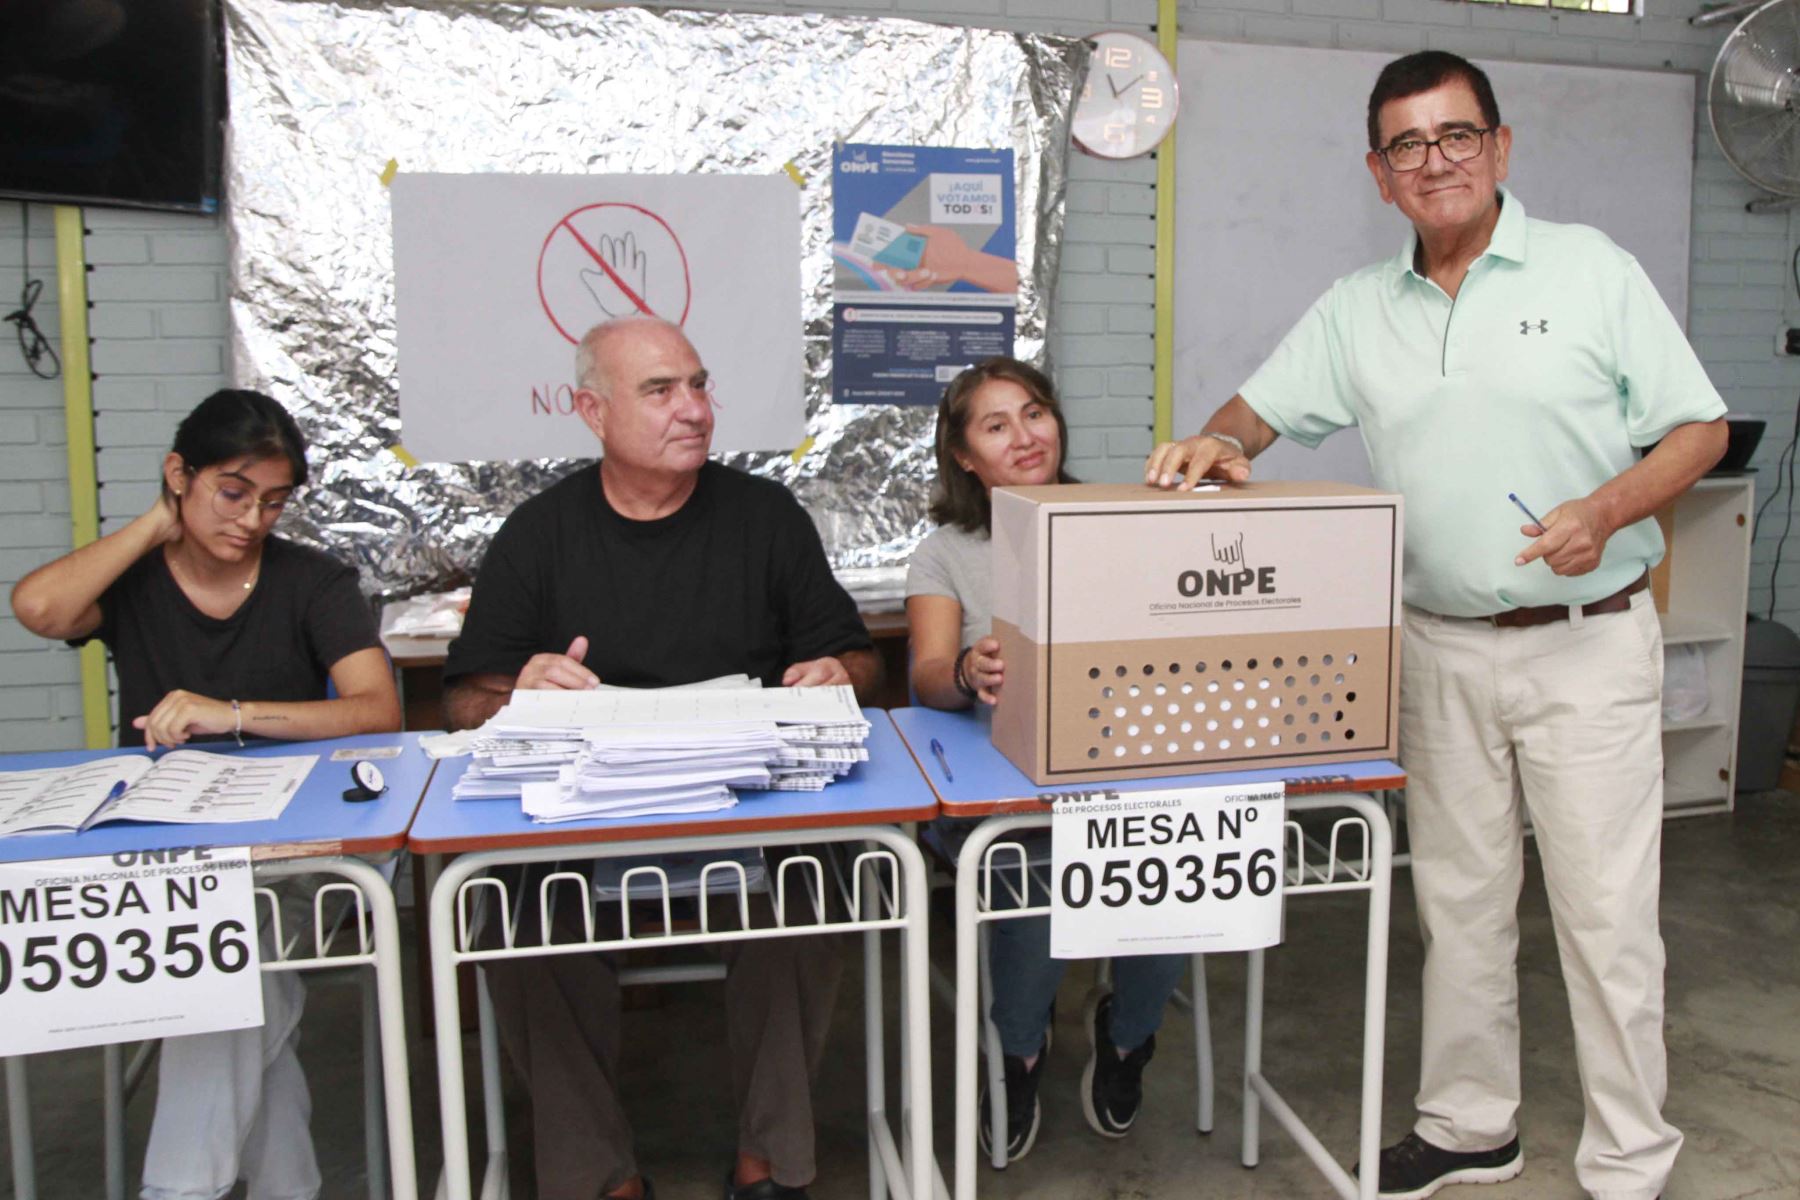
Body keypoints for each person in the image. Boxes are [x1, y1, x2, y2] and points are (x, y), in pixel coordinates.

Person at [1146, 51, 1725, 1200]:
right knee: (1455, 907)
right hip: (1440, 647)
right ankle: (1469, 1127)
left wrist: (1605, 511)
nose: (1435, 161)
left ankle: (1628, 1156)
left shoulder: (1591, 269)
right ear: (1379, 174)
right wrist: (1219, 442)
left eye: (1457, 135)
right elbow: (1253, 415)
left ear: (1500, 147)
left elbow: (1697, 430)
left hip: (1587, 641)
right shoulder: (1360, 308)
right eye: (1407, 145)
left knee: (1606, 916)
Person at [442, 314, 881, 1200]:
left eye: (698, 384)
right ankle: (601, 1178)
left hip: (748, 812)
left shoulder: (763, 518)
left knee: (812, 900)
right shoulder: (540, 534)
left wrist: (838, 674)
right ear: (592, 412)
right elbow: (463, 703)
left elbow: (862, 662)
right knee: (516, 923)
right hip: (586, 824)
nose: (694, 408)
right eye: (660, 390)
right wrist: (517, 689)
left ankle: (770, 1165)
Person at [11, 387, 401, 1200]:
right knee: (238, 971)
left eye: (273, 502)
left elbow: (377, 709)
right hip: (160, 857)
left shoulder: (312, 581)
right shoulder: (136, 581)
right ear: (179, 475)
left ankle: (177, 1190)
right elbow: (38, 607)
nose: (252, 520)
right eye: (231, 492)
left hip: (292, 854)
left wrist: (233, 715)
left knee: (233, 946)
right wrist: (156, 524)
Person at [906, 357, 1187, 1162]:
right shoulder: (947, 551)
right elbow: (927, 677)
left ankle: (1128, 1036)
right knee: (1034, 863)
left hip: (1125, 766)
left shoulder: (1120, 520)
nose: (1025, 436)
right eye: (996, 426)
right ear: (964, 456)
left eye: (1034, 413)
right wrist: (968, 672)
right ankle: (1018, 1053)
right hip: (1003, 786)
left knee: (1181, 846)